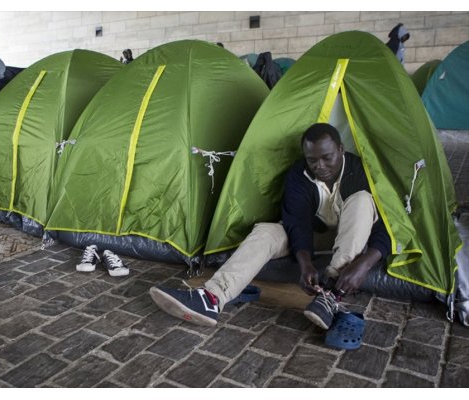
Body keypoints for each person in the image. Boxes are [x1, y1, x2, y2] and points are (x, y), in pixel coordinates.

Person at [149, 122, 391, 330]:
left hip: (353, 238)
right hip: (316, 236)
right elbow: (297, 222)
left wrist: (364, 264)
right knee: (266, 231)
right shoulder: (299, 174)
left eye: (327, 158)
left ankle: (331, 295)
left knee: (361, 200)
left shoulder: (361, 171)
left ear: (341, 149)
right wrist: (305, 263)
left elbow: (390, 225)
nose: (320, 166)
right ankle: (212, 298)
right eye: (312, 160)